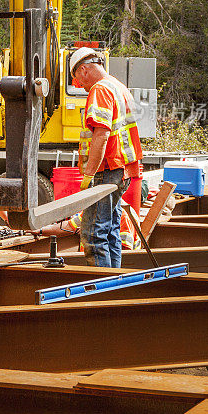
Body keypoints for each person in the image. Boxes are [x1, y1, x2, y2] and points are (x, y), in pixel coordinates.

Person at [70, 47, 143, 268]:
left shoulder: (100, 90)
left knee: (93, 234)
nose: (80, 86)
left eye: (77, 80)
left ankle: (101, 289)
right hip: (123, 170)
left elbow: (101, 135)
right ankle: (114, 279)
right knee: (111, 231)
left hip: (108, 169)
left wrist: (89, 174)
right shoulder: (118, 86)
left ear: (83, 69)